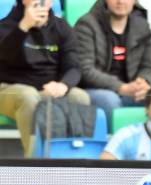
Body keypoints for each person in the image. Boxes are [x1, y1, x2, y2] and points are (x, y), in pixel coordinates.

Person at [0, 0, 90, 157]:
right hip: (9, 90)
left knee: (79, 97)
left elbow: (74, 67)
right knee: (27, 96)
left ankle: (74, 158)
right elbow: (5, 56)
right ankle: (35, 161)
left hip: (47, 90)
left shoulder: (61, 27)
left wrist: (63, 85)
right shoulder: (6, 25)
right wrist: (23, 27)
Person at [75, 0, 151, 129]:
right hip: (95, 89)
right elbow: (85, 70)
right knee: (110, 100)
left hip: (129, 90)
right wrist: (121, 87)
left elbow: (149, 66)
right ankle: (114, 145)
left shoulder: (142, 26)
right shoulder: (86, 24)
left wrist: (143, 83)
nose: (120, 1)